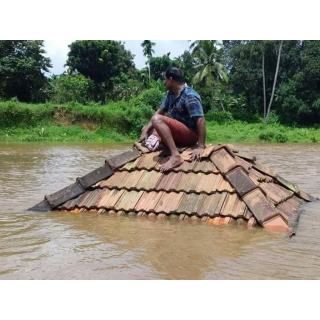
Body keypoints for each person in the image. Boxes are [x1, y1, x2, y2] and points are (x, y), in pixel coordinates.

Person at [139, 67, 206, 172]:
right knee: (147, 128)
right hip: (177, 131)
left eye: (165, 79)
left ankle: (176, 156)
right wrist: (146, 130)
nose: (164, 82)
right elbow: (159, 111)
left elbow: (200, 120)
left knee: (157, 120)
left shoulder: (190, 95)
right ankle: (165, 144)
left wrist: (201, 146)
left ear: (171, 80)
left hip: (190, 134)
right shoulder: (170, 94)